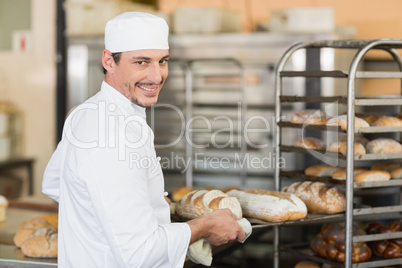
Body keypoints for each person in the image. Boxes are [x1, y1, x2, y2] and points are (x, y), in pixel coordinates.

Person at [42, 12, 246, 267]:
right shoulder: (112, 135)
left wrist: (135, 204)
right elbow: (140, 255)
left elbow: (53, 183)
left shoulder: (87, 112)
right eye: (141, 62)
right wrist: (204, 226)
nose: (156, 75)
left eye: (162, 61)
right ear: (109, 61)